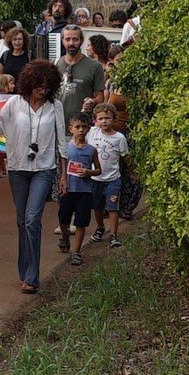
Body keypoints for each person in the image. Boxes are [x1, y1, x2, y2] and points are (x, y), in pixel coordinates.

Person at [0, 58, 64, 294]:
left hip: (44, 168)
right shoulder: (13, 104)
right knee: (22, 221)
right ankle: (25, 270)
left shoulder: (55, 106)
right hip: (18, 168)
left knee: (33, 219)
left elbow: (62, 142)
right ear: (29, 83)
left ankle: (33, 276)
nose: (43, 91)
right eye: (39, 85)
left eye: (47, 87)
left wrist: (64, 176)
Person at [56, 113, 100, 265]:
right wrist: (63, 180)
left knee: (81, 222)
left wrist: (89, 172)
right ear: (71, 129)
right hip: (68, 190)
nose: (81, 130)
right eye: (77, 127)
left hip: (85, 191)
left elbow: (98, 170)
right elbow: (62, 168)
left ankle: (76, 252)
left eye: (84, 127)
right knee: (63, 220)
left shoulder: (92, 150)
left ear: (88, 129)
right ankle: (65, 237)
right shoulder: (66, 148)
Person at [86, 103, 131, 250]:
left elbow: (126, 157)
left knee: (112, 207)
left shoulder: (119, 138)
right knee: (97, 207)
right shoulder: (92, 133)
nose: (104, 121)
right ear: (95, 121)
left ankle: (113, 235)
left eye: (107, 118)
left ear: (114, 119)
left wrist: (133, 172)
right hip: (94, 178)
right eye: (100, 119)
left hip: (112, 179)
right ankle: (100, 228)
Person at [55, 25, 105, 128]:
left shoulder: (94, 66)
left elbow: (100, 98)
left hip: (83, 127)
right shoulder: (56, 64)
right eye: (67, 39)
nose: (71, 43)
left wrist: (92, 102)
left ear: (81, 41)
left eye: (75, 39)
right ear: (62, 41)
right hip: (58, 125)